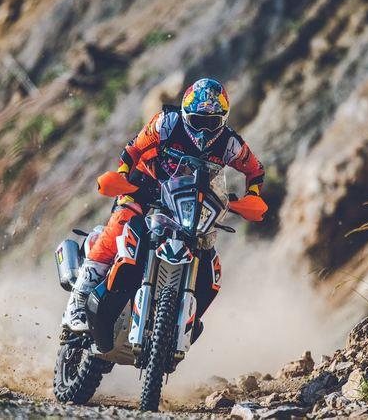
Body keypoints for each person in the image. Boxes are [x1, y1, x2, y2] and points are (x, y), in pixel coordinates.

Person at [63, 77, 265, 332]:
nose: (204, 130)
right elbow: (132, 150)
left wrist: (252, 196)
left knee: (205, 246)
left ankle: (185, 319)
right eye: (198, 121)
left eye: (211, 122)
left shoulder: (230, 143)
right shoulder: (166, 123)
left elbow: (255, 171)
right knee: (121, 224)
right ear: (186, 115)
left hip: (191, 201)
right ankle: (79, 300)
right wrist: (122, 177)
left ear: (222, 120)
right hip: (146, 185)